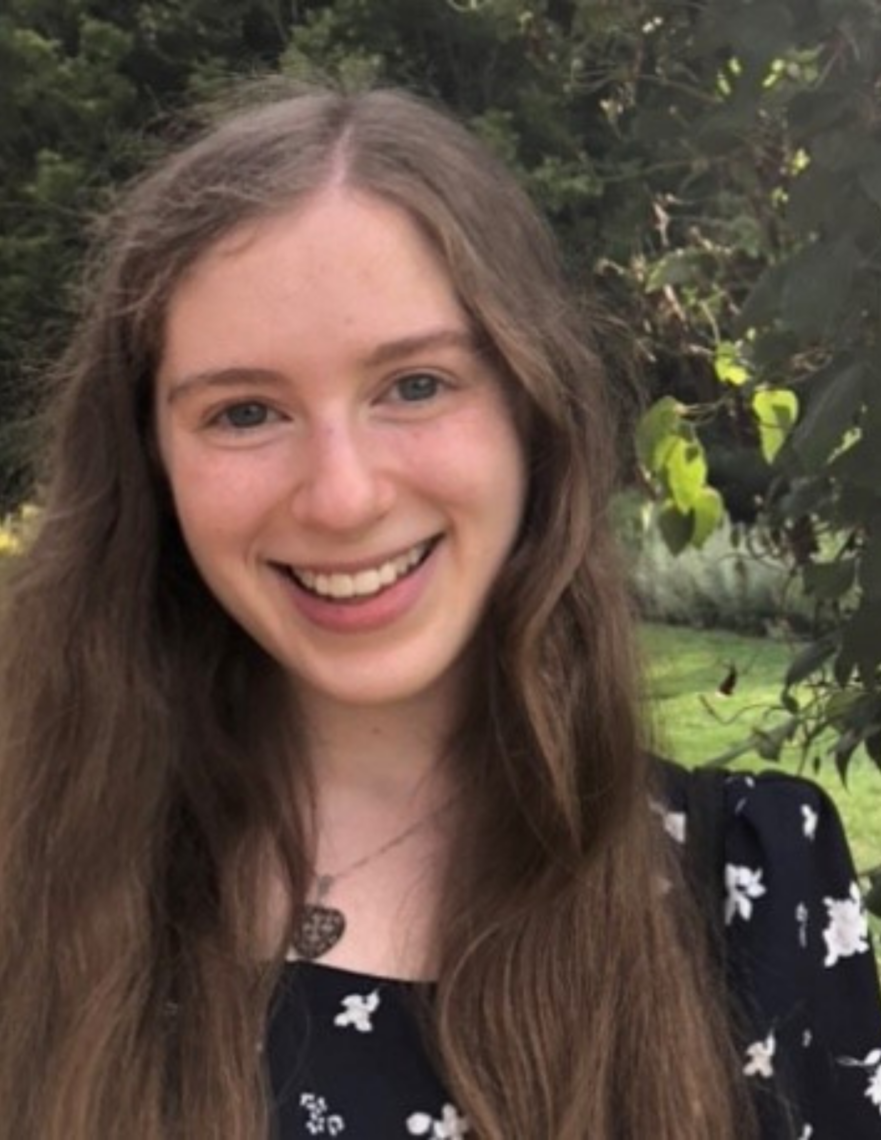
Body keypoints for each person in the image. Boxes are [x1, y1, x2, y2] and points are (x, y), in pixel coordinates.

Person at [0, 85, 878, 1140]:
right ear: (151, 464)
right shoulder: (31, 865)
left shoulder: (750, 895)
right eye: (244, 412)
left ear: (530, 408)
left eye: (414, 386)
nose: (341, 497)